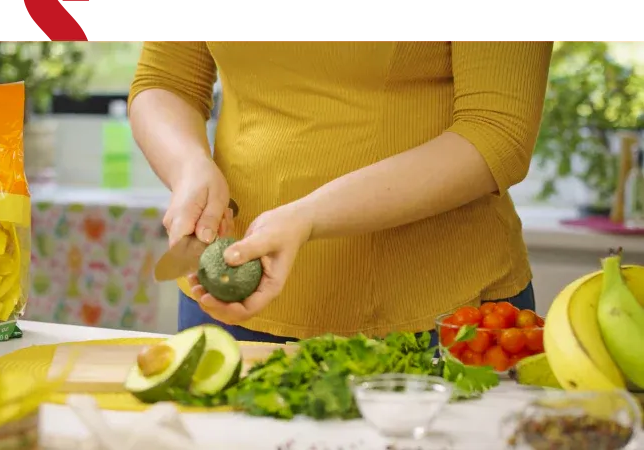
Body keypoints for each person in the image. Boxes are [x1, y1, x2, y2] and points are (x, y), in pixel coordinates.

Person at [127, 41, 553, 343]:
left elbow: (497, 131)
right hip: (226, 302)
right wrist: (188, 167)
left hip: (438, 315)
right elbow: (166, 81)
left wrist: (309, 216)